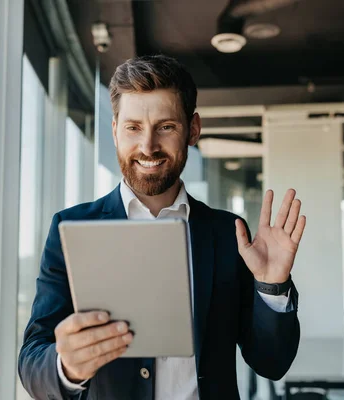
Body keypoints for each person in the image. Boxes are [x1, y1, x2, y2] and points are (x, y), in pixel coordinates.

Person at [18, 55, 305, 400]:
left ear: (193, 129)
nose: (148, 146)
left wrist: (272, 287)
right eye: (133, 127)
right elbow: (33, 360)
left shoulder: (230, 234)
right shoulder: (70, 227)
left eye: (166, 127)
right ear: (114, 130)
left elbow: (271, 363)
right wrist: (68, 367)